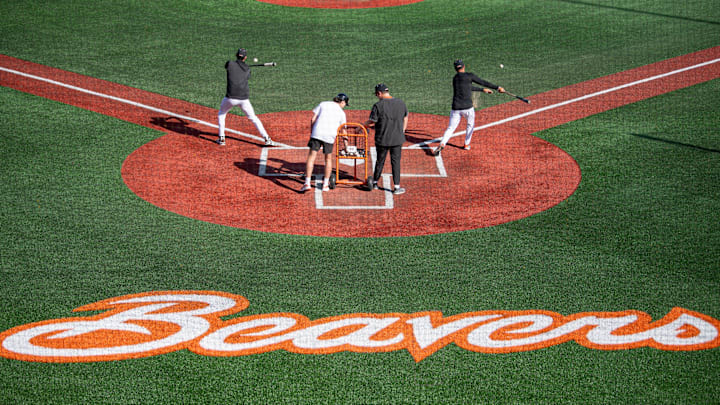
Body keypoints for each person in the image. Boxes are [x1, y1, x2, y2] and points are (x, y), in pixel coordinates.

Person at [433, 59, 504, 155]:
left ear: (455, 69)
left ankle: (442, 143)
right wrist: (497, 87)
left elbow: (467, 87)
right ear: (464, 66)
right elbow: (482, 82)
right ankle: (466, 144)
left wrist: (482, 90)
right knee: (470, 125)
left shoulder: (455, 78)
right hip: (468, 108)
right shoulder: (469, 76)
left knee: (450, 128)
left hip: (456, 108)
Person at [216, 48, 276, 146]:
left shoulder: (230, 63)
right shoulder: (247, 69)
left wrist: (241, 66)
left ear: (236, 55)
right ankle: (267, 139)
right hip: (243, 99)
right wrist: (245, 67)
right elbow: (247, 76)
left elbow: (227, 66)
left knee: (222, 114)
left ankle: (221, 138)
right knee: (253, 118)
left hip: (230, 98)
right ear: (245, 57)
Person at [364, 83, 408, 195]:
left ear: (379, 93)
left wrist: (362, 126)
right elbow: (405, 117)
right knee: (396, 162)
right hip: (397, 139)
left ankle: (374, 182)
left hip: (382, 139)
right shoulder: (401, 103)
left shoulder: (378, 105)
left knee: (380, 161)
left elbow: (372, 121)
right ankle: (397, 187)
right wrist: (402, 130)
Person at [300, 93, 350, 192]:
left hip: (317, 133)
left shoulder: (323, 104)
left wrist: (312, 133)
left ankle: (307, 183)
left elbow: (313, 119)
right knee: (328, 159)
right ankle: (325, 185)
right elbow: (343, 131)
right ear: (342, 102)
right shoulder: (341, 113)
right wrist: (346, 146)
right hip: (329, 136)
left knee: (311, 157)